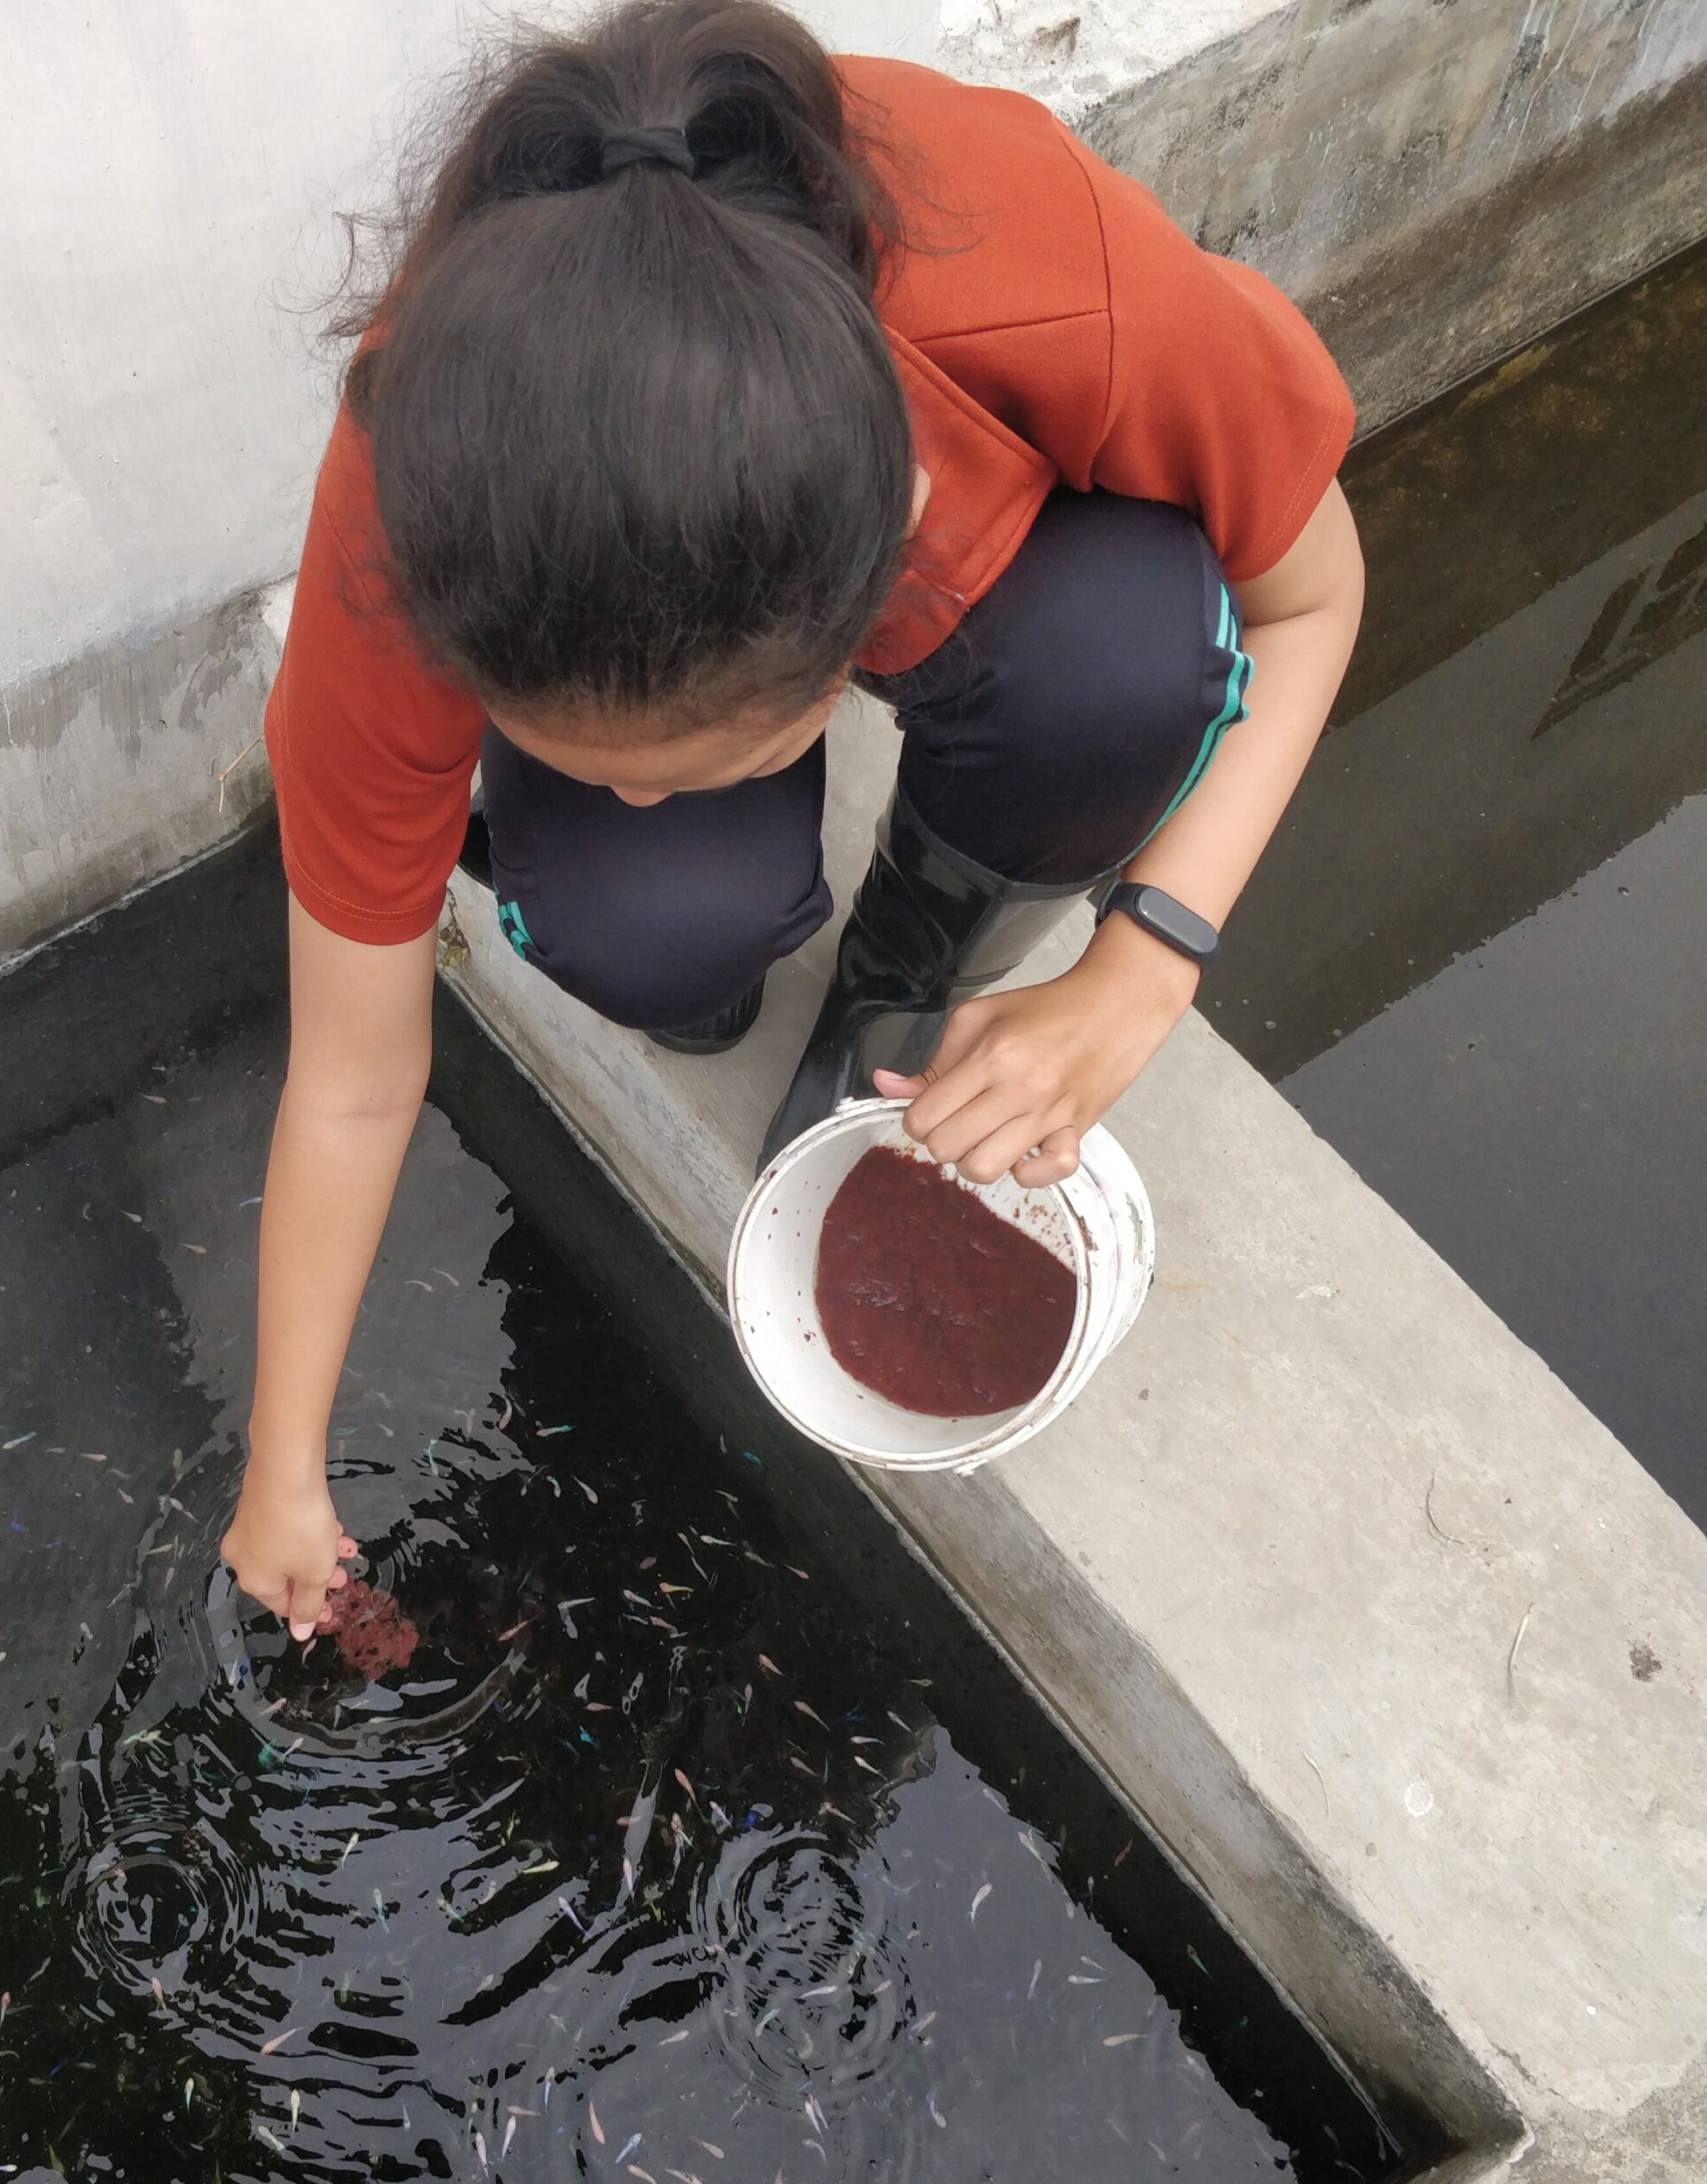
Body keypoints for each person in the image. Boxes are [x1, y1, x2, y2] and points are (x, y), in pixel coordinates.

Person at [222, 0, 1363, 1639]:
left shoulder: (1047, 271)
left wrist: (1145, 959)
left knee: (1130, 666)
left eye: (675, 761)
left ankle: (911, 942)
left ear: (884, 572)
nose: (618, 792)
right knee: (636, 912)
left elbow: (1315, 598)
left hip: (1000, 546)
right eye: (573, 754)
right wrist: (285, 1462)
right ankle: (708, 960)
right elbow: (349, 1073)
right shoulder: (412, 512)